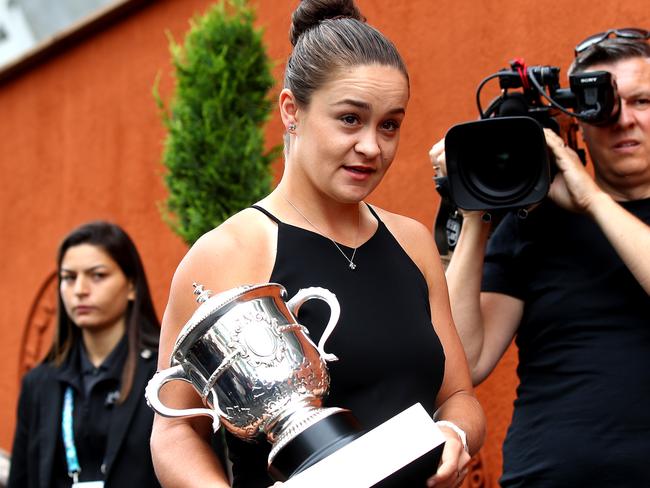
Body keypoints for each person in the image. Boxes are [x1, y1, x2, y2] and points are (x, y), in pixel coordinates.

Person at [150, 1, 486, 487]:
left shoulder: (411, 242)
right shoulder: (230, 252)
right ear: (292, 110)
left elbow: (460, 396)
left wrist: (454, 432)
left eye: (390, 124)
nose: (372, 146)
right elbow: (175, 431)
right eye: (351, 119)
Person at [430, 32, 650, 487]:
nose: (624, 120)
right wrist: (475, 212)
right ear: (576, 119)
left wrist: (590, 199)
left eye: (643, 101)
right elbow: (466, 362)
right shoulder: (533, 224)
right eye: (604, 104)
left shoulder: (582, 204)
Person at [8, 221, 162, 488]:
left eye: (97, 275)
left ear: (131, 286)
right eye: (69, 278)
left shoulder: (162, 375)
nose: (79, 290)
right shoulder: (39, 384)